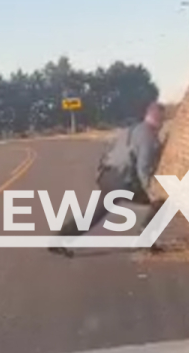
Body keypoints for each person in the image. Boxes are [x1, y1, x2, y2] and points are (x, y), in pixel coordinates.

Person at [49, 102, 167, 257]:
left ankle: (59, 239)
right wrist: (152, 192)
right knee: (163, 199)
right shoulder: (148, 137)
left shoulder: (131, 129)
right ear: (159, 119)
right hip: (122, 182)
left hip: (108, 176)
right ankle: (145, 236)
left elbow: (112, 150)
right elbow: (143, 168)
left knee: (95, 214)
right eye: (163, 119)